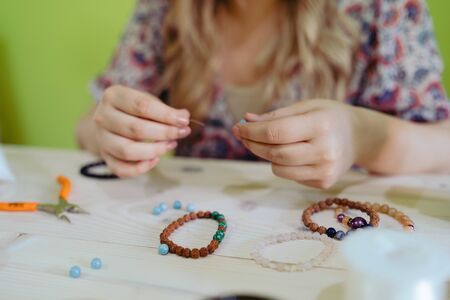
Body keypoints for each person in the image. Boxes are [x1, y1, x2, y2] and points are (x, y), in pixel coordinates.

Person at [77, 0, 450, 189]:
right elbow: (89, 126)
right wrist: (111, 132)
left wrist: (362, 136)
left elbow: (443, 147)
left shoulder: (382, 8)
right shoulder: (163, 8)